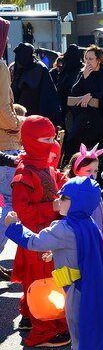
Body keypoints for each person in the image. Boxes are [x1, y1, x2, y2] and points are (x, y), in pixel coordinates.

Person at [5, 176, 103, 350]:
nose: (59, 200)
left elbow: (34, 242)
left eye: (63, 197)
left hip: (77, 291)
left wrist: (13, 227)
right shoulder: (87, 223)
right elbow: (77, 251)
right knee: (79, 332)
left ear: (75, 202)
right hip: (85, 287)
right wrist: (56, 253)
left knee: (83, 334)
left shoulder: (64, 228)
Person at [11, 115, 70, 347]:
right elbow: (21, 210)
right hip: (36, 236)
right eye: (45, 139)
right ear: (32, 141)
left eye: (52, 138)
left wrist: (67, 181)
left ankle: (29, 315)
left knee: (36, 279)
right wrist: (52, 207)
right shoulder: (24, 173)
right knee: (41, 282)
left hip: (45, 235)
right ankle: (45, 329)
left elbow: (53, 176)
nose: (51, 143)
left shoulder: (40, 162)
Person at [66, 45, 103, 194]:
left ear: (99, 60)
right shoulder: (83, 74)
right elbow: (74, 91)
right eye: (86, 58)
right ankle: (84, 181)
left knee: (102, 150)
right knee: (83, 148)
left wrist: (91, 95)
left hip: (102, 119)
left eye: (91, 59)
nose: (88, 62)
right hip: (84, 119)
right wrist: (84, 79)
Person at [0, 18, 23, 281]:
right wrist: (19, 124)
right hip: (5, 143)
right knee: (9, 204)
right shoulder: (0, 66)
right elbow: (3, 109)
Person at [64, 144, 103, 250]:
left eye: (95, 171)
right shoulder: (72, 192)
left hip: (96, 234)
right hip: (81, 238)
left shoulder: (94, 189)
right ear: (76, 171)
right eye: (88, 171)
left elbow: (101, 213)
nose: (92, 175)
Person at [10, 42, 62, 128]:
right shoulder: (17, 68)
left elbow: (48, 95)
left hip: (37, 114)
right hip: (20, 116)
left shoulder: (39, 69)